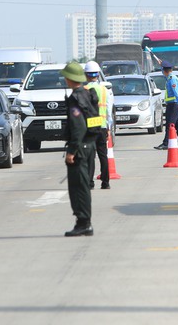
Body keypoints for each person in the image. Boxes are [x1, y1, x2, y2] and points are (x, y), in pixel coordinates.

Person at [60, 61, 98, 237]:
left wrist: (72, 151)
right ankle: (84, 222)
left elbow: (78, 127)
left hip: (80, 148)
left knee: (78, 187)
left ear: (69, 79)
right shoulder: (89, 94)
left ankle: (83, 222)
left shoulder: (76, 98)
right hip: (89, 146)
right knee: (83, 186)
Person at [84, 61, 110, 190]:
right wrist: (108, 127)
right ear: (98, 74)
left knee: (90, 156)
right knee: (103, 155)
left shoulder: (83, 90)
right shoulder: (104, 90)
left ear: (86, 75)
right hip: (102, 125)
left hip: (89, 127)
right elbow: (109, 111)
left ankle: (90, 183)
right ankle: (106, 182)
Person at [154, 61, 178, 150]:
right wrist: (161, 65)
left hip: (174, 104)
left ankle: (166, 143)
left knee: (170, 124)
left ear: (165, 70)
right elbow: (163, 73)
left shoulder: (172, 79)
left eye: (162, 70)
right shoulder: (169, 77)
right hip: (171, 104)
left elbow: (175, 92)